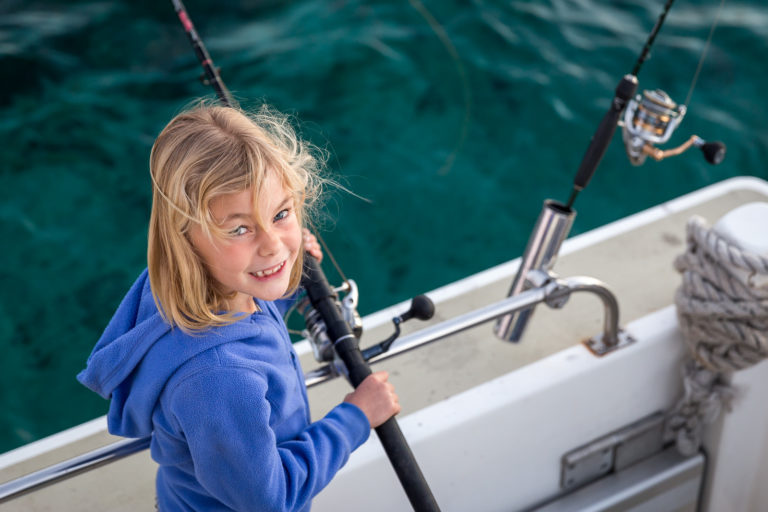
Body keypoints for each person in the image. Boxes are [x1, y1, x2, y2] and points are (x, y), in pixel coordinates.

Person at [77, 103, 401, 512]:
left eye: (281, 213)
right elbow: (272, 498)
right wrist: (355, 417)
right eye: (240, 228)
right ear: (186, 240)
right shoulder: (220, 380)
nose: (272, 243)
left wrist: (284, 281)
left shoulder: (185, 290)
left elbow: (240, 326)